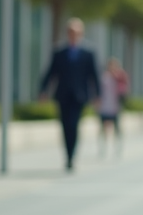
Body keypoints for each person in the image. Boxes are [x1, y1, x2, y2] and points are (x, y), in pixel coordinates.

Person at [38, 18, 100, 171]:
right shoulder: (59, 52)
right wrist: (43, 90)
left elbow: (94, 75)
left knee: (74, 125)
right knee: (65, 126)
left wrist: (97, 95)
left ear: (81, 33)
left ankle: (72, 156)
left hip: (79, 96)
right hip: (63, 95)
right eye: (71, 32)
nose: (73, 35)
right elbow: (51, 72)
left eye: (76, 32)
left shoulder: (88, 53)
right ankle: (68, 155)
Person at [98, 57, 128, 158]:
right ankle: (103, 148)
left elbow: (124, 91)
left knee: (117, 129)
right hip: (104, 107)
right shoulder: (104, 77)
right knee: (103, 128)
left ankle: (118, 148)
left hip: (115, 107)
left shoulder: (120, 77)